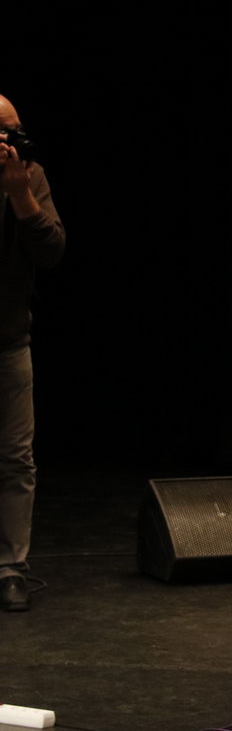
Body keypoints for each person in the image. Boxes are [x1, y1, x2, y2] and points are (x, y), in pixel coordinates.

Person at [0, 95, 65, 614]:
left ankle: (10, 569)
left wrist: (21, 195)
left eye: (16, 130)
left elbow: (51, 251)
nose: (13, 141)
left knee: (16, 461)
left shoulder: (29, 177)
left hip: (8, 343)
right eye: (4, 132)